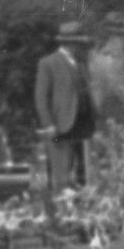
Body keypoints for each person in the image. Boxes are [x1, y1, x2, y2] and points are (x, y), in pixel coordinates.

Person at [35, 21, 99, 188]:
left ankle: (84, 200)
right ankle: (60, 205)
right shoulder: (48, 63)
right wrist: (48, 124)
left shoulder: (80, 63)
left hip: (83, 122)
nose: (82, 47)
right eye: (79, 44)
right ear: (70, 43)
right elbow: (41, 97)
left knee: (85, 168)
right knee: (61, 169)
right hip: (61, 123)